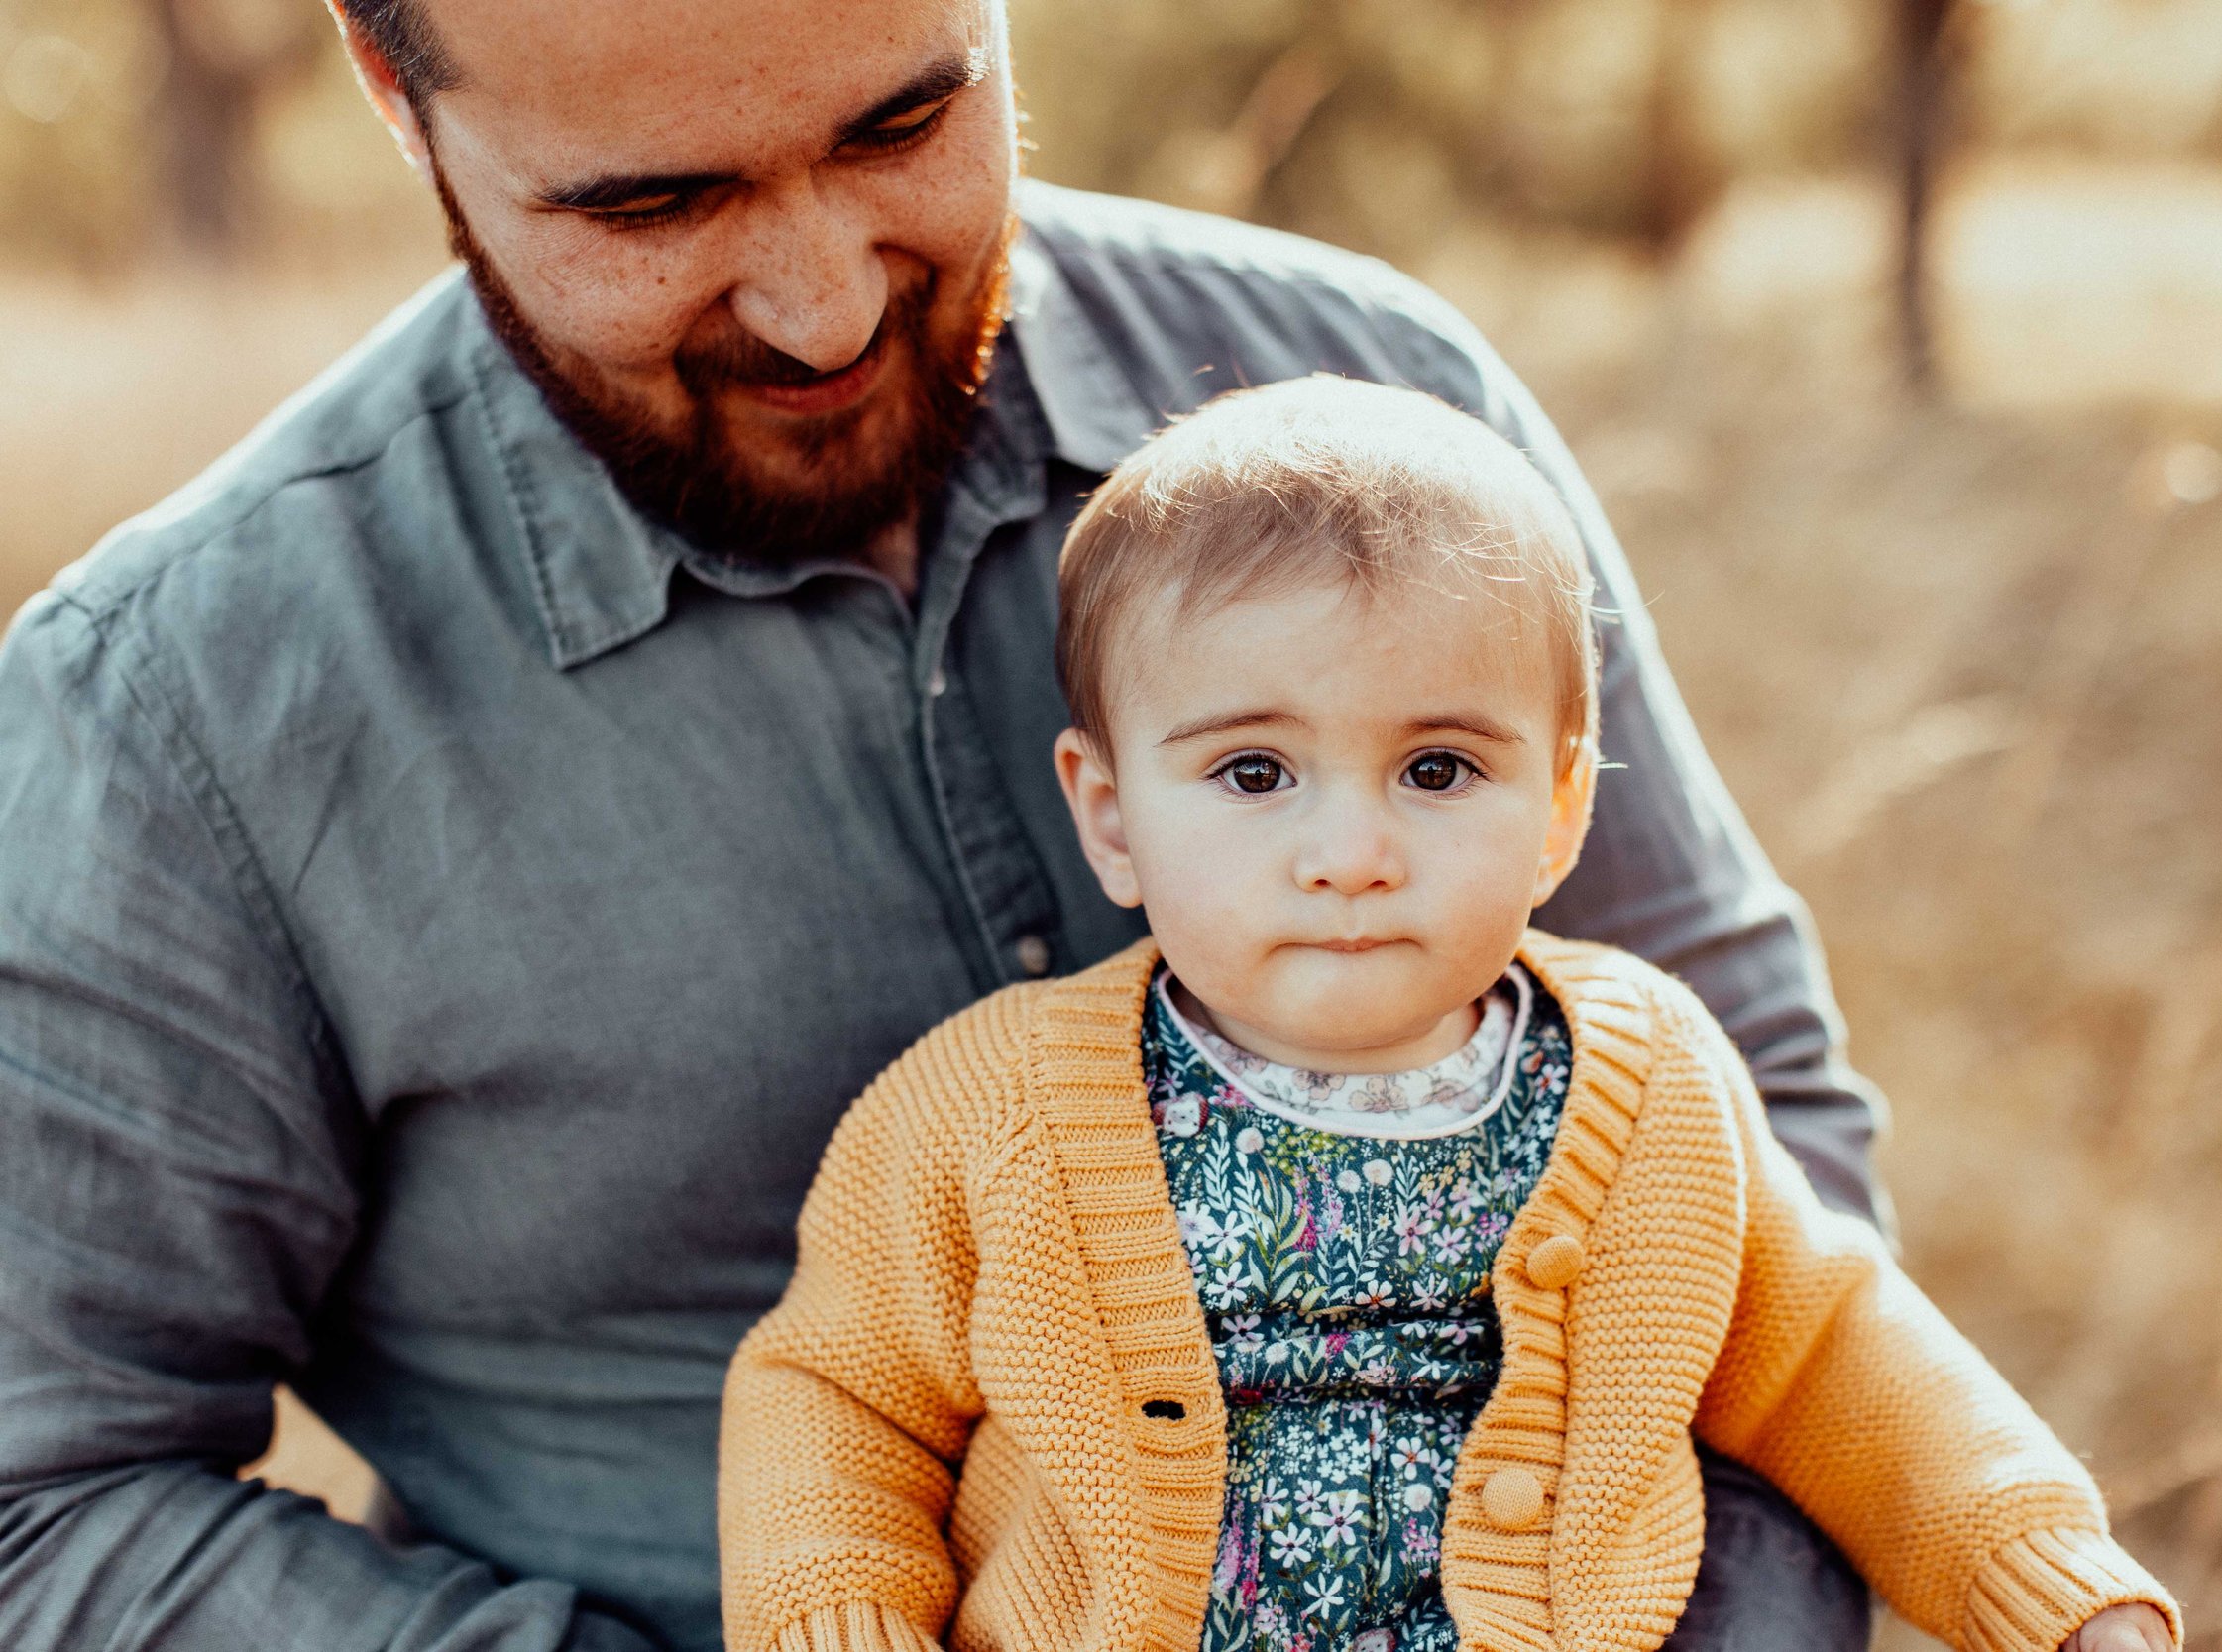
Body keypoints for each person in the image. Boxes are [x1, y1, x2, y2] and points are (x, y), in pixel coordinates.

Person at [0, 0, 1877, 1648]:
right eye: (654, 207)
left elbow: (1750, 1108)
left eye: (904, 124)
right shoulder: (176, 712)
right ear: (393, 93)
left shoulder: (1385, 397)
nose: (824, 302)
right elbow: (45, 1504)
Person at [718, 379, 2178, 1652]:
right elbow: (837, 1398)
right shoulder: (986, 1111)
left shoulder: (1648, 1080)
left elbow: (1831, 1357)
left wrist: (2037, 1572)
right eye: (1252, 774)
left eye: (1434, 772)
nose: (1350, 851)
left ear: (1557, 810)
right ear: (1109, 815)